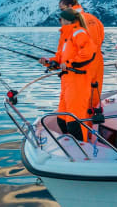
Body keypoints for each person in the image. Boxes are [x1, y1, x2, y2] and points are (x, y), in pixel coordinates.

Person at [39, 9, 96, 141]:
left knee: (74, 122)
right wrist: (49, 62)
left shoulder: (79, 33)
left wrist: (70, 63)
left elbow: (88, 54)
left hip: (78, 83)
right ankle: (69, 146)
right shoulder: (66, 37)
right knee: (61, 119)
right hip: (67, 82)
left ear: (67, 20)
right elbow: (60, 58)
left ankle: (82, 150)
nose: (59, 22)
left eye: (60, 19)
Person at [59, 0, 105, 113]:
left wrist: (65, 61)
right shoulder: (94, 19)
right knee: (94, 97)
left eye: (62, 9)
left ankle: (81, 128)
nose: (61, 12)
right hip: (97, 61)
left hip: (80, 64)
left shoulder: (72, 22)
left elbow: (67, 46)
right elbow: (100, 39)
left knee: (79, 101)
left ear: (70, 6)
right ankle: (92, 127)